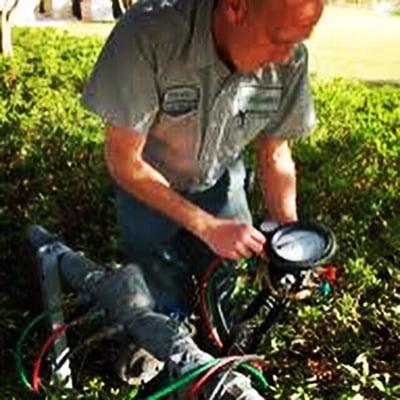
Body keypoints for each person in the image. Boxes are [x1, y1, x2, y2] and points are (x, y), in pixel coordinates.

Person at [82, 0, 324, 397]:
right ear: (236, 7)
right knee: (159, 294)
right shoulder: (147, 35)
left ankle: (209, 367)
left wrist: (288, 241)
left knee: (220, 292)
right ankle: (162, 372)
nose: (287, 56)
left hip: (221, 185)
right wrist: (207, 227)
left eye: (298, 40)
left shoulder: (291, 55)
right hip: (147, 188)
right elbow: (123, 160)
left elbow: (275, 154)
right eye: (278, 39)